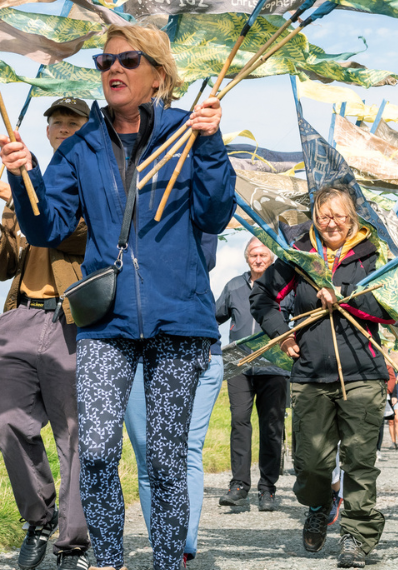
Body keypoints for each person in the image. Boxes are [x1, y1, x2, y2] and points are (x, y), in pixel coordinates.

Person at [0, 23, 234, 570]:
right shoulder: (80, 146)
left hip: (180, 320)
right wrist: (24, 175)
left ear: (158, 75)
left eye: (128, 61)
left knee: (166, 457)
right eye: (105, 63)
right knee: (99, 450)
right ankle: (107, 559)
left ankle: (169, 562)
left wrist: (213, 142)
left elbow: (216, 214)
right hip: (106, 320)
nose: (114, 71)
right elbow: (47, 227)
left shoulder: (188, 131)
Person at [0, 98, 92, 570]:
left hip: (74, 321)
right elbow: (0, 265)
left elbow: (76, 233)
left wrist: (10, 192)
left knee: (76, 435)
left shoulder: (96, 178)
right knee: (5, 420)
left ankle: (73, 543)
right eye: (54, 122)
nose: (60, 128)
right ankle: (39, 517)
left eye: (71, 122)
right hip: (21, 315)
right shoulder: (26, 183)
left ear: (88, 129)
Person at [250, 183, 394, 569]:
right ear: (315, 219)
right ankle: (320, 501)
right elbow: (261, 297)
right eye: (323, 216)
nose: (331, 223)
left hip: (363, 374)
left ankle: (356, 538)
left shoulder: (373, 255)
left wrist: (342, 293)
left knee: (359, 462)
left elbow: (390, 305)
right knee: (310, 462)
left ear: (352, 220)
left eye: (339, 216)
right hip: (311, 375)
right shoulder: (297, 258)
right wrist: (281, 332)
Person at [123, 232, 220, 565]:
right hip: (133, 347)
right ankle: (164, 548)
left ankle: (181, 547)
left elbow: (200, 260)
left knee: (185, 450)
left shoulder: (190, 204)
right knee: (148, 458)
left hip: (190, 344)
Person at [216, 237, 288, 512]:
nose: (258, 259)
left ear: (271, 258)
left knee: (272, 426)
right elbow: (214, 317)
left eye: (263, 255)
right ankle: (239, 486)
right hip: (239, 364)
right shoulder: (234, 286)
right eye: (253, 255)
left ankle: (267, 488)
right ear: (247, 258)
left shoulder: (283, 284)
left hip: (275, 363)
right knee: (239, 422)